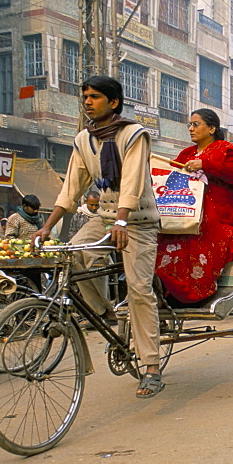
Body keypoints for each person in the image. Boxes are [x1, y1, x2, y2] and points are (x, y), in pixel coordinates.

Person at [34, 75, 164, 399]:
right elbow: (71, 189)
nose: (87, 102)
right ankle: (104, 310)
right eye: (85, 96)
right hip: (105, 219)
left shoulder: (134, 134)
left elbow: (132, 181)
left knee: (138, 289)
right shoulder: (83, 140)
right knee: (73, 252)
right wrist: (47, 226)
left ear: (113, 102)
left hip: (137, 220)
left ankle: (151, 366)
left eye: (94, 96)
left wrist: (122, 221)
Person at [155, 108, 233, 305]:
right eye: (189, 125)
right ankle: (169, 291)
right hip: (186, 210)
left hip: (218, 214)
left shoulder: (226, 149)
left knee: (200, 236)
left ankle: (198, 292)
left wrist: (205, 164)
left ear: (211, 128)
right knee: (164, 235)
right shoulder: (186, 153)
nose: (191, 129)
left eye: (196, 124)